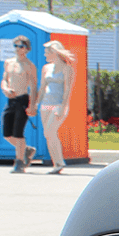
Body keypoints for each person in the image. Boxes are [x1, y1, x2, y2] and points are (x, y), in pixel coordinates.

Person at [35, 39, 75, 174]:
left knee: (50, 131)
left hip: (58, 105)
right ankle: (56, 162)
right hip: (45, 104)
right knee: (48, 134)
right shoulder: (46, 68)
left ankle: (59, 163)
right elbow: (42, 88)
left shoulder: (67, 68)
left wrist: (63, 107)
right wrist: (35, 103)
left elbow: (67, 90)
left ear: (54, 52)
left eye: (47, 52)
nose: (45, 55)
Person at [0, 35, 38, 172]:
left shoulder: (29, 66)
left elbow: (34, 87)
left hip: (22, 100)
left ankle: (20, 162)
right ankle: (25, 149)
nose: (17, 49)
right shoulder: (8, 62)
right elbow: (4, 79)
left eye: (20, 46)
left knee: (18, 133)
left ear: (27, 48)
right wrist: (5, 89)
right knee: (7, 134)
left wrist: (32, 105)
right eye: (15, 46)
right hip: (11, 100)